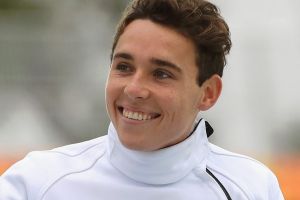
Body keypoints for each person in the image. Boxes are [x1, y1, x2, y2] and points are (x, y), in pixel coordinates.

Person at [0, 0, 284, 199]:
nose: (135, 89)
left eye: (161, 74)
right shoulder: (36, 183)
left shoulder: (251, 188)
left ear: (208, 93)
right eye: (124, 67)